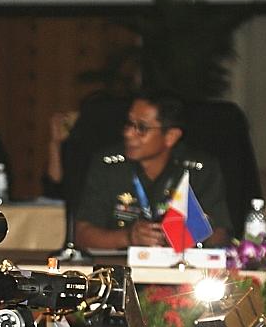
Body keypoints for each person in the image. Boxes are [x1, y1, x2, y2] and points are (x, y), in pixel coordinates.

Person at [73, 91, 230, 251]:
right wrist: (128, 237)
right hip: (119, 267)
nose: (128, 133)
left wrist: (189, 234)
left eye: (141, 128)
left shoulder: (199, 169)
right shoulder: (108, 165)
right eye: (129, 124)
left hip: (180, 268)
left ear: (171, 136)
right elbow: (82, 235)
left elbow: (221, 235)